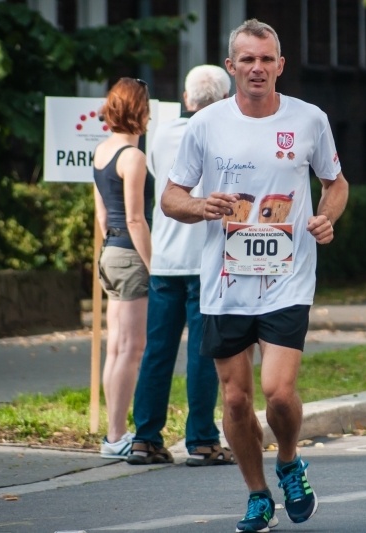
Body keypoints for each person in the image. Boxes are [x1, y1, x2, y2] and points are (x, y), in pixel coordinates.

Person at [160, 18, 349, 533]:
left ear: (280, 65)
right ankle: (258, 494)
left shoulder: (309, 119)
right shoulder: (206, 124)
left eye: (267, 59)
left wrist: (326, 217)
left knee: (279, 393)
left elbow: (335, 183)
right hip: (225, 281)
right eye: (247, 59)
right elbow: (171, 197)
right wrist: (201, 206)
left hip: (288, 276)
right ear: (231, 66)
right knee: (236, 399)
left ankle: (289, 461)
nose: (258, 68)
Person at [126, 65, 236, 466]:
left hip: (165, 259)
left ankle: (145, 438)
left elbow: (167, 185)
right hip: (206, 259)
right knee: (203, 353)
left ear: (187, 99)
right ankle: (202, 441)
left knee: (157, 351)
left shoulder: (162, 134)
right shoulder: (226, 133)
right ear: (224, 99)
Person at [92, 77, 154, 459]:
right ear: (139, 111)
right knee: (132, 348)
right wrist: (153, 266)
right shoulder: (133, 157)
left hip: (110, 253)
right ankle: (116, 437)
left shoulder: (101, 151)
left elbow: (103, 215)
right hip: (131, 255)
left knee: (115, 348)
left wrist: (111, 249)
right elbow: (135, 219)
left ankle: (114, 432)